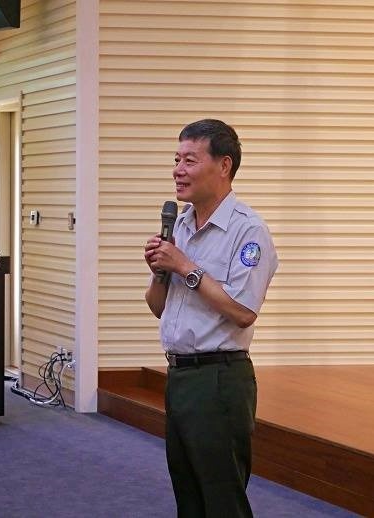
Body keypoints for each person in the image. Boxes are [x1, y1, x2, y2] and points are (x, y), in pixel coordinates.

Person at [143, 119, 278, 517]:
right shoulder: (180, 226)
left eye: (190, 159)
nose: (178, 170)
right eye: (176, 159)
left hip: (220, 381)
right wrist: (160, 270)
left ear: (224, 166)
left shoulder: (248, 231)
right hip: (181, 376)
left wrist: (185, 266)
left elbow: (242, 311)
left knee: (222, 502)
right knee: (190, 499)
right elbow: (158, 306)